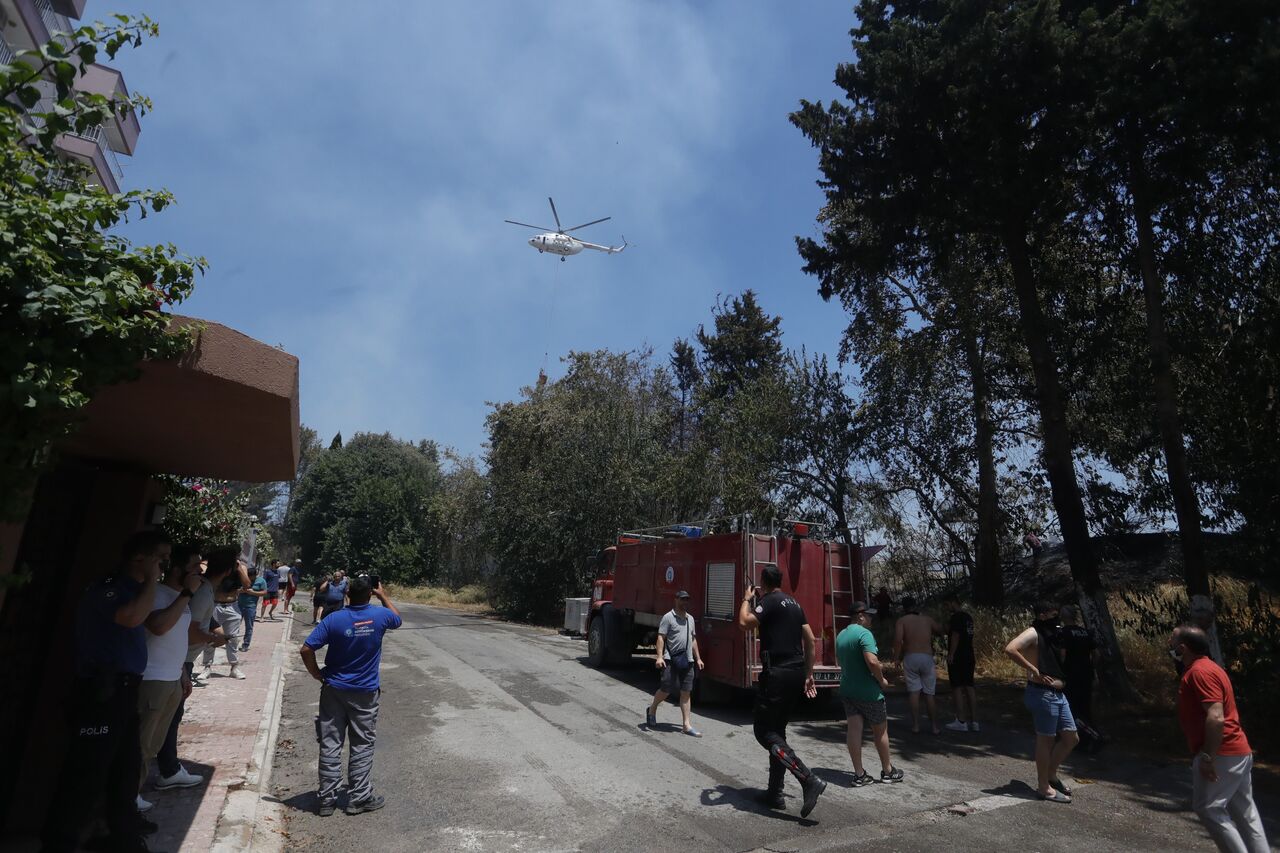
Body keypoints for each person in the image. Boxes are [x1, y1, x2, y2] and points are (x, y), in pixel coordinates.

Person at [41, 530, 169, 853]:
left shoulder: (135, 589)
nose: (163, 565)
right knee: (86, 773)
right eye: (159, 558)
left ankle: (120, 839)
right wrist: (152, 581)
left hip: (124, 694)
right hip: (102, 692)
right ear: (139, 557)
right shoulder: (110, 589)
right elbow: (131, 618)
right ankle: (59, 843)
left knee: (124, 773)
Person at [300, 576, 403, 816]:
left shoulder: (334, 619)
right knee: (362, 743)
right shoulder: (380, 616)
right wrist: (383, 595)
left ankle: (327, 799)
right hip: (365, 693)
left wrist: (317, 675)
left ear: (347, 592)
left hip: (333, 689)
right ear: (370, 594)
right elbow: (397, 618)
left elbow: (306, 649)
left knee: (330, 742)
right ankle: (359, 797)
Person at [736, 565, 826, 818]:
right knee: (778, 732)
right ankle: (775, 793)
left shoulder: (770, 602)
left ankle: (808, 780)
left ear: (763, 583)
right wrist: (809, 674)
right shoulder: (794, 603)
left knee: (763, 731)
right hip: (795, 672)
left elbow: (744, 623)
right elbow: (809, 639)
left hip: (777, 673)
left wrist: (746, 599)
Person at [1171, 625, 1268, 852]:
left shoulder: (1200, 672)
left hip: (1223, 753)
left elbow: (1215, 717)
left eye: (1172, 642)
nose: (1170, 646)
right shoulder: (1209, 667)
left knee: (1208, 808)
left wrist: (1207, 757)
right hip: (1237, 751)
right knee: (1246, 813)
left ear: (1183, 648)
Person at [136, 543, 204, 810]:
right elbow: (159, 626)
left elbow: (177, 638)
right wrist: (187, 593)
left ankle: (136, 790)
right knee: (140, 743)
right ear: (177, 569)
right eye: (194, 566)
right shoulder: (159, 595)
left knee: (152, 744)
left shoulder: (180, 598)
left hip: (171, 678)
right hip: (152, 679)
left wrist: (182, 673)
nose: (200, 571)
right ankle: (127, 798)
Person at [156, 548, 225, 786]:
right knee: (165, 722)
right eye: (195, 566)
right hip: (168, 668)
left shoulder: (193, 593)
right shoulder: (192, 593)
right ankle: (167, 769)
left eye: (202, 566)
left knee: (170, 718)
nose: (200, 571)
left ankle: (166, 767)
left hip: (178, 665)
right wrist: (213, 639)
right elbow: (190, 630)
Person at [1004, 601, 1079, 803]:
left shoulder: (1053, 634)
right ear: (1043, 615)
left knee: (1071, 738)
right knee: (1045, 741)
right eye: (1053, 614)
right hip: (1042, 694)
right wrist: (1033, 669)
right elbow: (1011, 649)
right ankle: (1043, 787)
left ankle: (1051, 775)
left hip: (1058, 694)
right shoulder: (1033, 632)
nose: (1057, 618)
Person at [837, 601, 903, 786]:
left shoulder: (841, 635)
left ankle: (859, 774)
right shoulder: (864, 633)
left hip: (848, 689)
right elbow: (872, 661)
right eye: (869, 615)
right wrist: (881, 680)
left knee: (854, 729)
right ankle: (888, 771)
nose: (871, 619)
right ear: (860, 616)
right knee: (880, 731)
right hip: (868, 691)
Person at [645, 590, 705, 737]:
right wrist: (659, 657)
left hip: (688, 660)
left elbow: (693, 640)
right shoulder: (668, 617)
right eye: (682, 599)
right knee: (666, 689)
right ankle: (652, 709)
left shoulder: (690, 619)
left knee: (686, 692)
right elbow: (661, 638)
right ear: (676, 599)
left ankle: (686, 725)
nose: (685, 602)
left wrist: (698, 658)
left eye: (687, 599)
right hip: (670, 659)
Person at [893, 596, 944, 734]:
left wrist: (896, 658)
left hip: (911, 656)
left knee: (914, 693)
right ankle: (934, 727)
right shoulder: (927, 619)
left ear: (904, 608)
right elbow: (940, 630)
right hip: (927, 657)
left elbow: (898, 640)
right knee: (929, 694)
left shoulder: (902, 621)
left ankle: (916, 725)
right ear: (916, 606)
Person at [1057, 604, 1102, 751]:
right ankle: (1084, 737)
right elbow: (1096, 654)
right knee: (1084, 706)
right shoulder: (1086, 632)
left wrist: (1058, 671)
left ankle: (1090, 736)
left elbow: (1062, 655)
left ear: (1063, 616)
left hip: (1070, 675)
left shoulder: (1063, 633)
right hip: (1086, 674)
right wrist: (1092, 668)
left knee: (1071, 708)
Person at [200, 550, 250, 680]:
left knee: (233, 638)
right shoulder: (217, 568)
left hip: (232, 606)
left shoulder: (240, 568)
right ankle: (207, 667)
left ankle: (234, 667)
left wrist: (239, 568)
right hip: (215, 604)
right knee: (211, 636)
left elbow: (247, 585)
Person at [944, 594, 979, 733]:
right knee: (970, 687)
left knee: (957, 687)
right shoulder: (968, 617)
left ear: (953, 603)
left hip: (958, 656)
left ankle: (961, 720)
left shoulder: (956, 617)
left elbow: (956, 636)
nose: (946, 608)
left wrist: (951, 654)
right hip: (969, 654)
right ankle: (975, 721)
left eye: (947, 605)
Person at [238, 566, 267, 652]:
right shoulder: (242, 579)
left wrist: (253, 592)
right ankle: (232, 642)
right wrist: (241, 591)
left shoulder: (261, 581)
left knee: (249, 627)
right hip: (239, 605)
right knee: (234, 625)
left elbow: (264, 592)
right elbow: (235, 590)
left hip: (250, 607)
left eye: (252, 576)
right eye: (248, 576)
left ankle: (245, 644)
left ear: (256, 575)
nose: (250, 578)